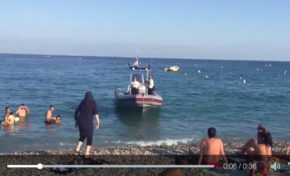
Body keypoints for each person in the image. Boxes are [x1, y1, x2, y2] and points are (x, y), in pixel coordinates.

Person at [75, 91, 100, 157]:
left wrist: (76, 121)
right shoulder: (93, 102)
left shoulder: (82, 102)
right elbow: (96, 113)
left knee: (82, 136)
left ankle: (77, 149)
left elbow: (76, 112)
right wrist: (98, 122)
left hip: (81, 122)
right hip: (88, 122)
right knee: (90, 137)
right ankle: (87, 153)